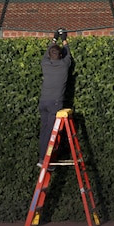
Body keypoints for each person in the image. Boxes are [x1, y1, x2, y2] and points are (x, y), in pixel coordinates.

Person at [38, 28, 71, 168]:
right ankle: (46, 160)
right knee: (50, 132)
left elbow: (48, 53)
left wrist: (54, 39)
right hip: (55, 103)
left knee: (45, 129)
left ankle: (41, 158)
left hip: (43, 101)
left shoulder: (45, 64)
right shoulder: (64, 66)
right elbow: (68, 54)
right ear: (60, 55)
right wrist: (65, 40)